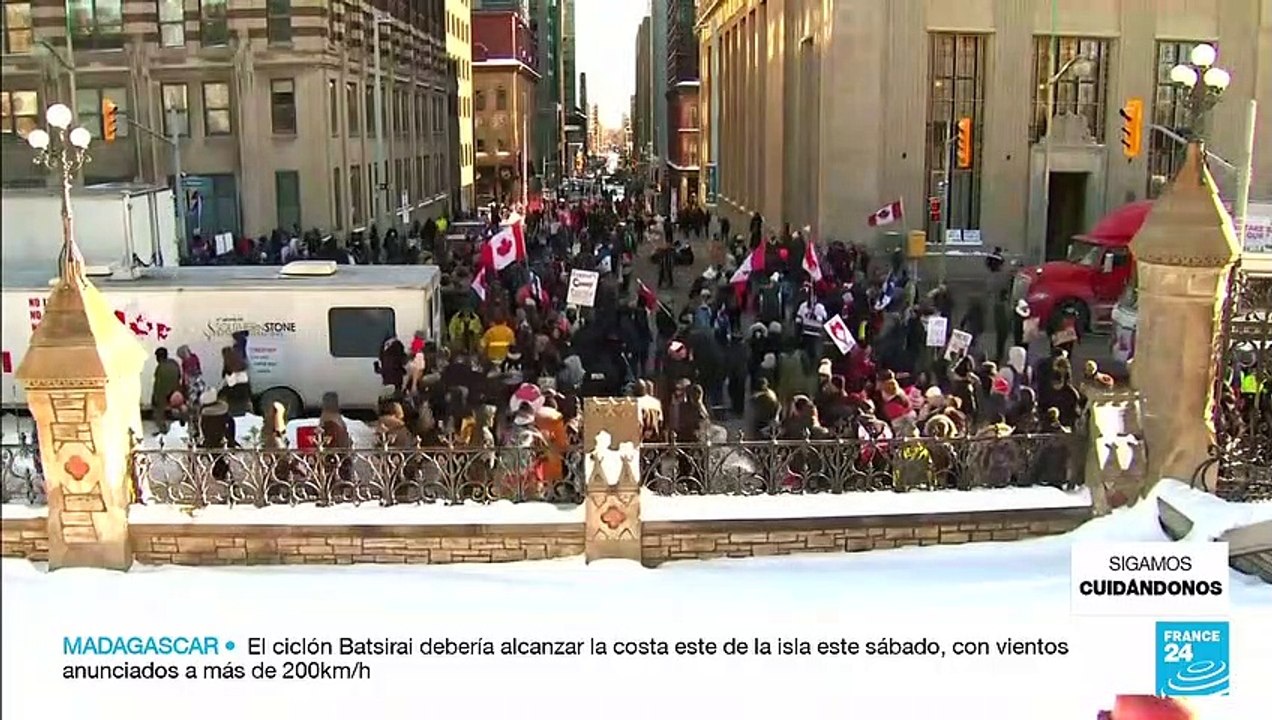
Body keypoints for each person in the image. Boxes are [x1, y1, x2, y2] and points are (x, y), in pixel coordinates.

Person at [151, 347, 182, 434]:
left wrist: (154, 398)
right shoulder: (174, 363)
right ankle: (182, 425)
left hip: (165, 395)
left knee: (157, 409)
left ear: (158, 357)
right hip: (176, 393)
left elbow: (158, 386)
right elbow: (179, 376)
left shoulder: (160, 368)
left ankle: (163, 429)